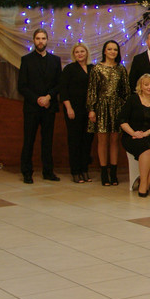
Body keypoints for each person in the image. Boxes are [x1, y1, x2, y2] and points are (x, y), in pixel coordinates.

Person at [18, 29, 61, 184]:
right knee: (28, 140)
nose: (40, 41)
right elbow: (22, 86)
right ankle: (27, 172)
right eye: (38, 38)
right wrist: (37, 99)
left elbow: (59, 84)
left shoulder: (55, 60)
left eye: (43, 38)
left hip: (49, 107)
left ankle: (48, 171)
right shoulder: (26, 60)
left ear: (47, 40)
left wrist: (48, 97)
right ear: (34, 40)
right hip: (32, 108)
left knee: (47, 141)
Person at [88, 40, 129, 186]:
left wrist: (125, 110)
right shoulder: (96, 69)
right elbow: (92, 90)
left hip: (117, 108)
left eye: (115, 49)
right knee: (102, 140)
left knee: (114, 140)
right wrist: (91, 109)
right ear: (104, 51)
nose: (112, 52)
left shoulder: (121, 69)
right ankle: (104, 172)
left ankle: (113, 172)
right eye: (110, 49)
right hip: (101, 107)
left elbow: (126, 91)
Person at [119, 74, 150, 197]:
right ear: (141, 86)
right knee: (147, 148)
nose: (149, 87)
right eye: (146, 84)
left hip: (149, 134)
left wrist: (146, 133)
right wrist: (134, 133)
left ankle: (146, 182)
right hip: (131, 136)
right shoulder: (132, 99)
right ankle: (144, 183)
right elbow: (122, 120)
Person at [60, 43, 94, 184]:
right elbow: (63, 90)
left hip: (89, 111)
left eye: (82, 51)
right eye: (77, 52)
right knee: (75, 141)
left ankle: (84, 170)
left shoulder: (93, 68)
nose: (80, 54)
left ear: (87, 53)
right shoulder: (69, 69)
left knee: (87, 141)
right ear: (73, 54)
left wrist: (93, 110)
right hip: (73, 110)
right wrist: (69, 108)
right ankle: (75, 171)